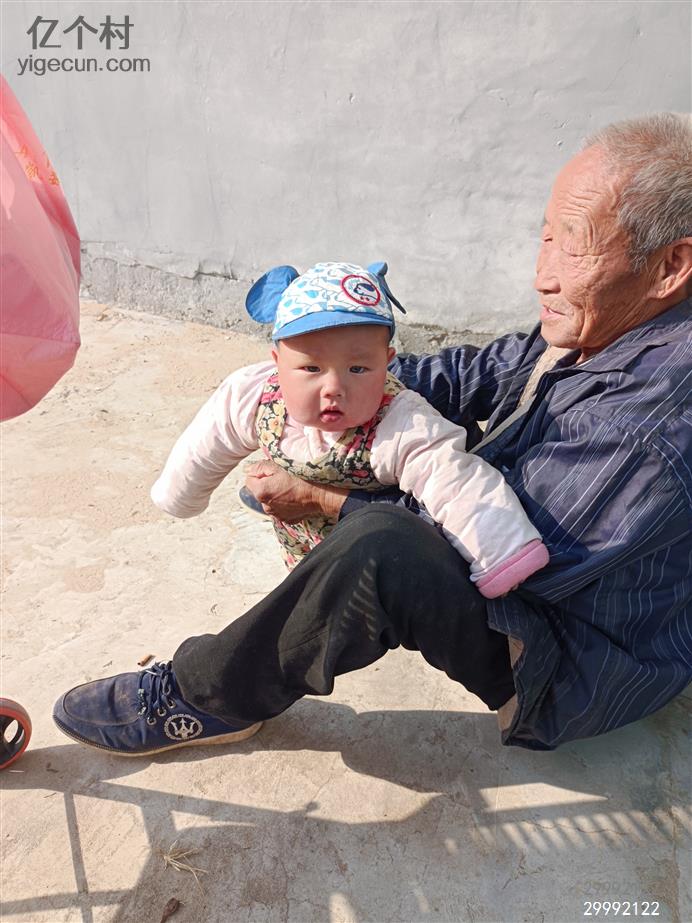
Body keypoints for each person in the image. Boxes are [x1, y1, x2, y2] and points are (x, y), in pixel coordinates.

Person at [53, 113, 692, 755]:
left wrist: (324, 498)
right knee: (409, 435)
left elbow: (512, 561)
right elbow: (478, 371)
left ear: (670, 266)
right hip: (555, 563)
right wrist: (346, 373)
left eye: (572, 246)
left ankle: (207, 696)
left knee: (383, 546)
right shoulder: (603, 322)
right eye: (544, 238)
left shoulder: (645, 424)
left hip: (570, 656)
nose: (542, 275)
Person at [149, 260, 548, 592]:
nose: (334, 388)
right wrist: (181, 495)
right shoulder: (253, 395)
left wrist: (503, 555)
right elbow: (207, 442)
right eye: (311, 368)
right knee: (304, 585)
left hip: (370, 563)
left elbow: (457, 483)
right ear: (276, 361)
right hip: (300, 548)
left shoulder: (401, 422)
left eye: (358, 369)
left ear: (387, 363)